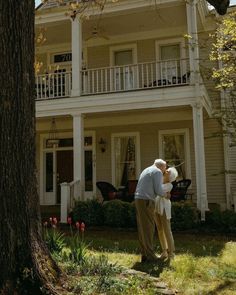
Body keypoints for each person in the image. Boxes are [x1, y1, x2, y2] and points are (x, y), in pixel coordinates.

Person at [135, 159, 167, 262]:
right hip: (146, 201)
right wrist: (167, 194)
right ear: (161, 166)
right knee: (149, 227)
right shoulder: (157, 172)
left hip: (138, 199)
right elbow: (158, 190)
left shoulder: (146, 170)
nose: (164, 172)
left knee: (142, 228)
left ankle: (144, 254)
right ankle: (150, 256)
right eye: (164, 169)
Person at [154, 167, 178, 261]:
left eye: (168, 171)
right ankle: (164, 251)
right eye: (167, 169)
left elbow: (157, 191)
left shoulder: (169, 185)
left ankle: (171, 253)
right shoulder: (159, 181)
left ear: (170, 176)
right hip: (156, 207)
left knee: (167, 230)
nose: (166, 170)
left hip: (164, 208)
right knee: (159, 229)